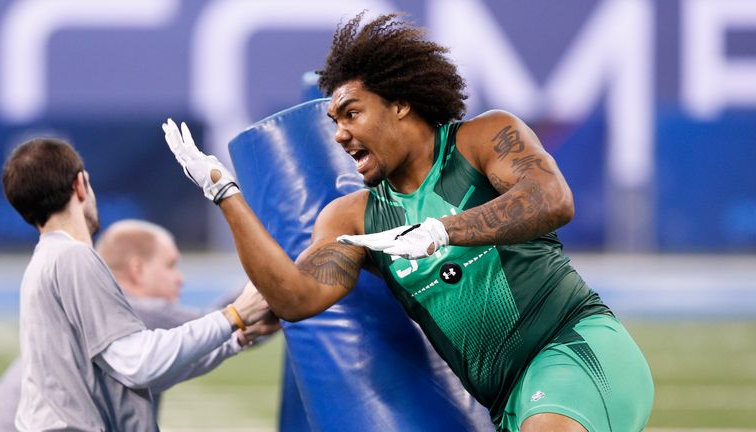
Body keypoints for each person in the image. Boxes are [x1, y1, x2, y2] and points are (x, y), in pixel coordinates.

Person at [162, 12, 654, 432]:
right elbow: (295, 298)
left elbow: (551, 199)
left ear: (400, 103)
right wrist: (224, 193)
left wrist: (443, 230)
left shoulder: (481, 138)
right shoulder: (352, 216)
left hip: (573, 348)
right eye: (333, 121)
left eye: (351, 113)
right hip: (506, 402)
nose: (339, 134)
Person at [0, 137, 278, 431]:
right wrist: (234, 316)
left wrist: (235, 339)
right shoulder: (74, 257)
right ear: (80, 185)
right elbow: (137, 365)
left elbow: (126, 375)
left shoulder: (45, 260)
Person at [0, 220, 280, 432]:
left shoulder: (86, 306)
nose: (180, 279)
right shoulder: (134, 311)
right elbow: (221, 321)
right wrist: (285, 273)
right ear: (137, 268)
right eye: (170, 265)